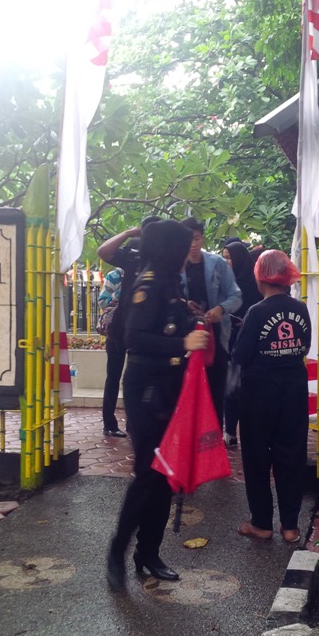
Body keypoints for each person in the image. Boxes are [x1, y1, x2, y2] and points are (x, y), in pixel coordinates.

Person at [106, 219, 210, 592]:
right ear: (171, 250)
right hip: (147, 389)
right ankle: (117, 551)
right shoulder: (148, 284)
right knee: (149, 473)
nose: (188, 255)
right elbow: (136, 337)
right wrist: (182, 345)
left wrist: (192, 322)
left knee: (167, 473)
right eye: (184, 248)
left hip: (168, 387)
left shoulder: (169, 283)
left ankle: (148, 553)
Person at [231, 249, 311, 543]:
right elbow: (303, 346)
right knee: (291, 455)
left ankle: (261, 523)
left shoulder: (256, 312)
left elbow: (240, 355)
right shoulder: (301, 308)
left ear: (260, 277)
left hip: (258, 395)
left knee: (256, 456)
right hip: (293, 390)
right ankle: (290, 526)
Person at [96, 216, 160, 437]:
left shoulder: (165, 259)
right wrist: (128, 233)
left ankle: (135, 424)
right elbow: (103, 252)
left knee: (137, 378)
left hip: (144, 333)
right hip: (119, 329)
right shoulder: (133, 258)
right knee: (113, 377)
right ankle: (110, 423)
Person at [179, 217, 242, 425]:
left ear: (202, 238)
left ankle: (213, 436)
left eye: (196, 238)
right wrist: (184, 303)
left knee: (216, 392)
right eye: (188, 239)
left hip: (216, 339)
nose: (193, 244)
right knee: (186, 392)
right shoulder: (176, 265)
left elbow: (236, 296)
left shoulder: (218, 264)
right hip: (186, 340)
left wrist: (220, 308)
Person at [222, 240, 261, 448]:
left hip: (248, 342)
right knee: (230, 386)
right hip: (228, 340)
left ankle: (244, 430)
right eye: (224, 257)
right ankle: (229, 431)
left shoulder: (254, 284)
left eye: (229, 257)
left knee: (244, 386)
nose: (226, 261)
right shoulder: (225, 283)